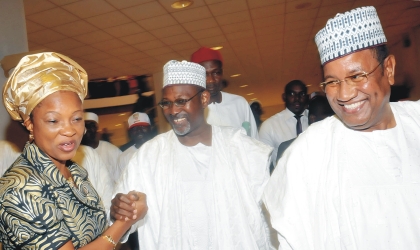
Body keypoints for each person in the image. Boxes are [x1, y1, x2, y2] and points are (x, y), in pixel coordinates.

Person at [263, 6, 420, 250]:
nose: (344, 94)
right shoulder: (307, 154)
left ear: (388, 69)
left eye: (356, 76)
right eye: (332, 82)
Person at [111, 60, 274, 249]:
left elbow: (278, 208)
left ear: (204, 99)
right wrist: (118, 208)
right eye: (166, 103)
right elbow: (123, 208)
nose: (173, 111)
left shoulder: (241, 148)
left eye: (181, 101)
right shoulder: (150, 155)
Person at [0, 52, 146, 249]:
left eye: (76, 118)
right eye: (53, 120)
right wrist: (125, 222)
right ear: (30, 124)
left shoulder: (76, 172)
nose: (70, 130)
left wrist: (120, 211)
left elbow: (96, 233)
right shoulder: (20, 189)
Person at [190, 47, 259, 138]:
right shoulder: (191, 109)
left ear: (222, 73)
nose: (211, 80)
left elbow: (254, 140)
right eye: (204, 75)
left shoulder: (239, 103)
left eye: (216, 73)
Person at [258, 80, 309, 165]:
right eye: (292, 94)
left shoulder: (316, 120)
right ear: (284, 97)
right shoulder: (269, 125)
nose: (297, 98)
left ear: (307, 97)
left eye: (302, 94)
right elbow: (262, 163)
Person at [275, 95, 334, 165]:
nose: (332, 124)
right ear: (313, 119)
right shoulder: (288, 148)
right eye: (327, 120)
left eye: (334, 121)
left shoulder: (337, 144)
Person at [81, 112, 122, 184]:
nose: (88, 129)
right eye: (84, 125)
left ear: (96, 128)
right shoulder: (73, 154)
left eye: (91, 126)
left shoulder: (112, 150)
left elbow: (122, 178)